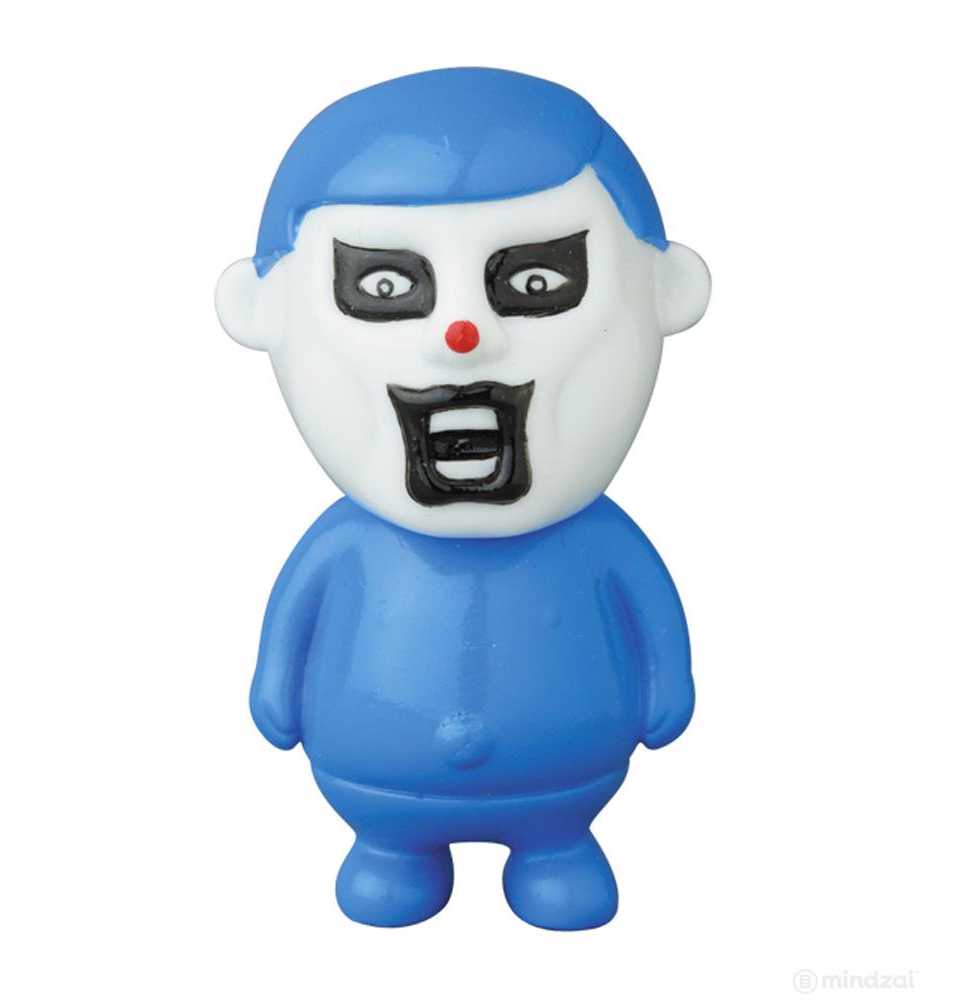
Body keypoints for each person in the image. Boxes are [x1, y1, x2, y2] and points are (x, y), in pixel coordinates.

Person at [215, 66, 711, 929]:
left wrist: (670, 680)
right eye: (385, 287)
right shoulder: (349, 546)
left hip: (568, 780)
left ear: (667, 291)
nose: (463, 336)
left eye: (534, 283)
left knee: (560, 874)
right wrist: (275, 681)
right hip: (373, 780)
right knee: (387, 884)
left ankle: (555, 849)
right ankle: (392, 852)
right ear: (261, 309)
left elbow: (649, 613)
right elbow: (298, 615)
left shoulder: (599, 542)